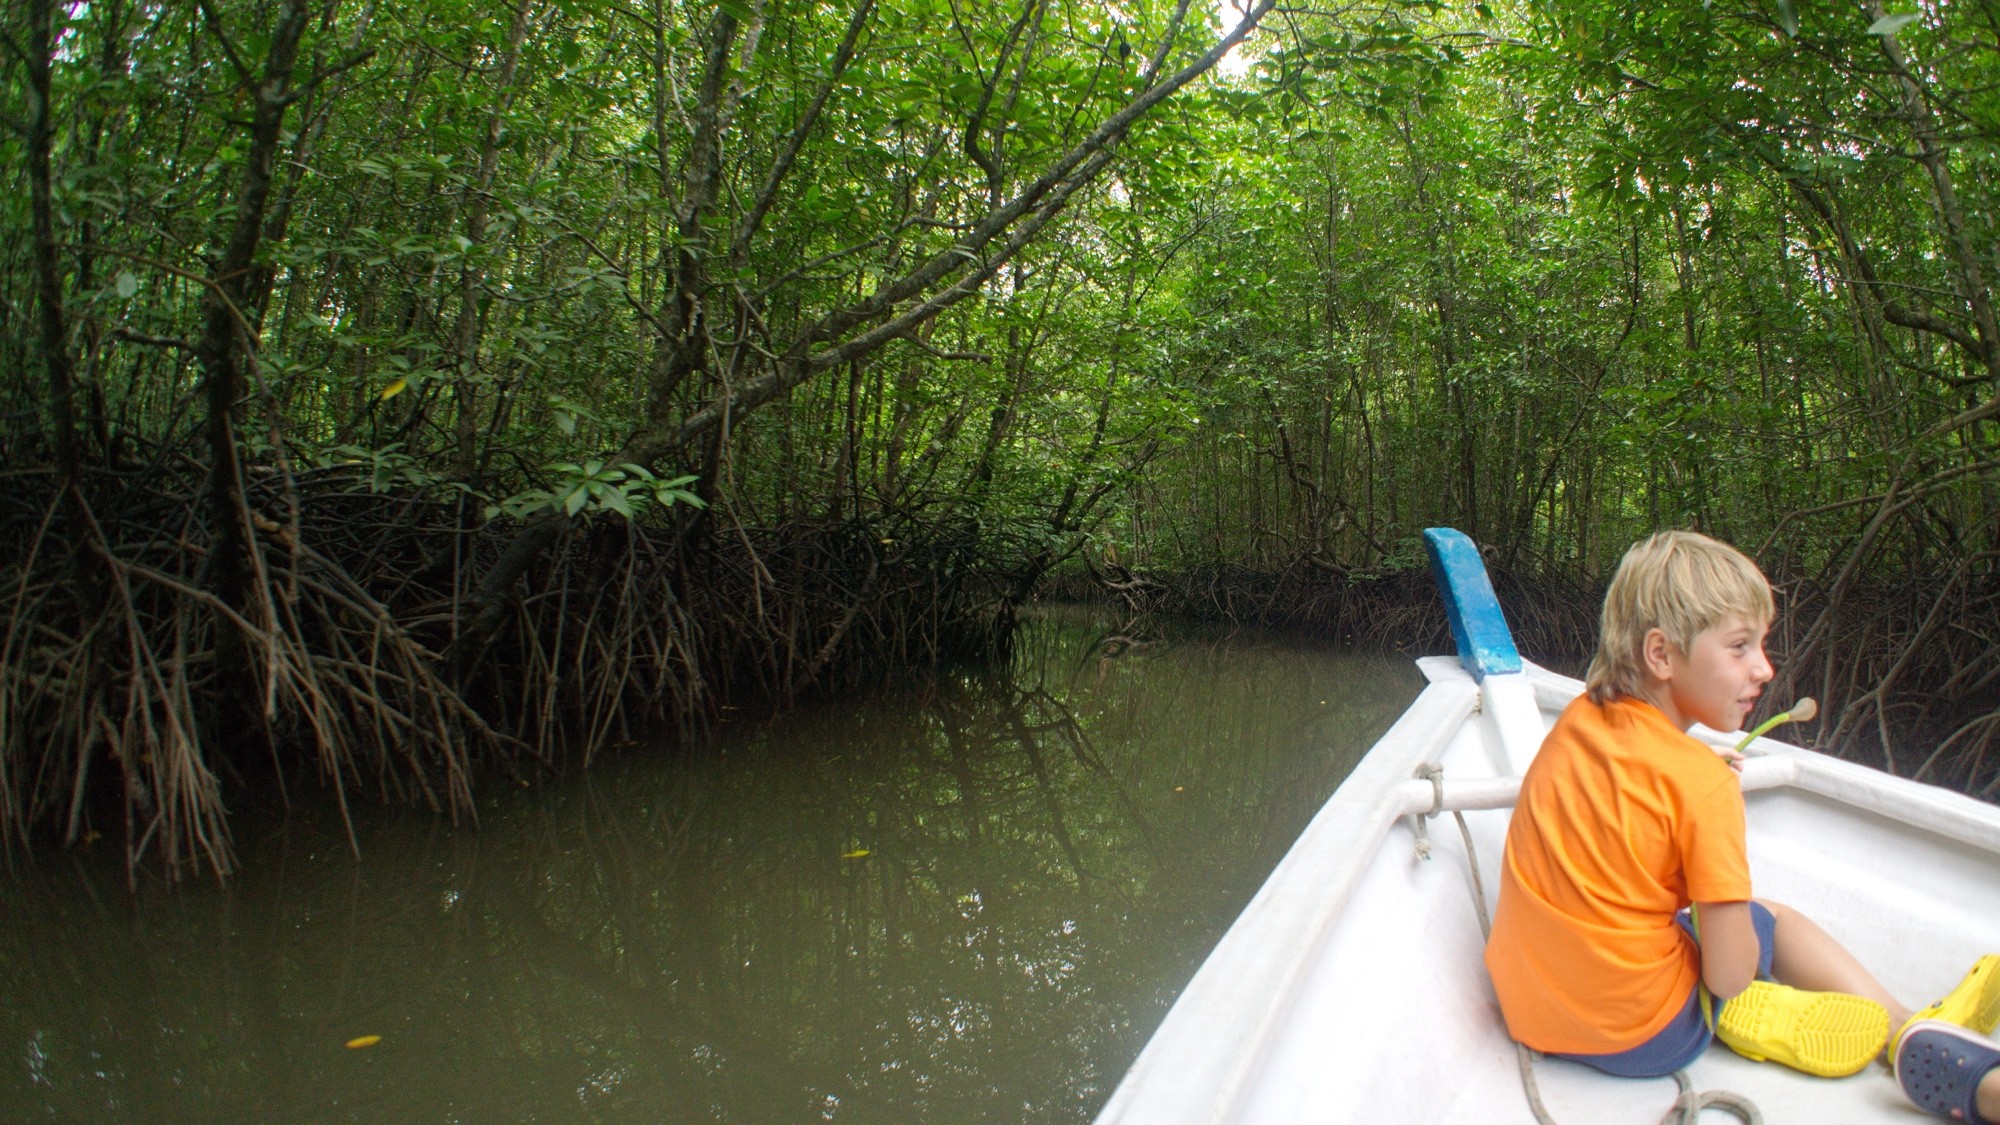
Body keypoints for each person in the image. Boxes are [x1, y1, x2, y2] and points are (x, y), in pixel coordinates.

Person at [1481, 529, 2000, 1120]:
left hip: (1528, 1010)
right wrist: (1707, 790)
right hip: (1640, 1037)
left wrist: (1696, 773)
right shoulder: (1702, 785)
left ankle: (1789, 1014)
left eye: (1762, 645)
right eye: (1739, 647)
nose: (1764, 668)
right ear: (1661, 655)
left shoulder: (1578, 720)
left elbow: (1634, 787)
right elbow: (1727, 974)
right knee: (1769, 919)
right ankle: (1909, 1028)